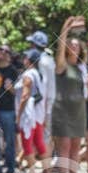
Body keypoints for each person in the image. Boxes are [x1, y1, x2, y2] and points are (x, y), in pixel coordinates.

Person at [38, 16, 87, 173]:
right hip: (62, 111)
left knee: (76, 147)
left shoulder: (81, 68)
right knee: (64, 147)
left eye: (76, 45)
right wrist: (66, 26)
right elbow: (60, 46)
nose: (74, 47)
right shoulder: (61, 65)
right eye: (71, 45)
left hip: (79, 112)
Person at [0, 43, 20, 173]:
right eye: (0, 49)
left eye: (6, 51)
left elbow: (18, 92)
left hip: (8, 109)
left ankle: (10, 170)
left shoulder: (13, 70)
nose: (2, 52)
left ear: (9, 55)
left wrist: (11, 89)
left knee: (10, 141)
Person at [15, 49, 48, 173]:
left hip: (28, 115)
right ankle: (47, 171)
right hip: (39, 114)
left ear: (29, 60)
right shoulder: (39, 74)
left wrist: (18, 116)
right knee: (39, 143)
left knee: (27, 143)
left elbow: (24, 96)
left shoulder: (28, 74)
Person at [29, 28, 56, 160]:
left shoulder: (42, 61)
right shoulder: (49, 59)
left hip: (44, 103)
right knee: (45, 134)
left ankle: (45, 166)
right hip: (49, 101)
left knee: (43, 134)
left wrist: (43, 108)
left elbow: (43, 86)